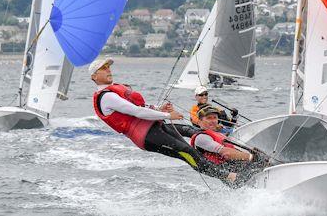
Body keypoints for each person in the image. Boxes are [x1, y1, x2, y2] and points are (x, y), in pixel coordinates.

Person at [90, 57, 239, 183]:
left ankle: (229, 165)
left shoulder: (115, 90)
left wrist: (159, 108)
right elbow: (137, 112)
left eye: (108, 67)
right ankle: (229, 177)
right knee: (187, 152)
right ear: (94, 77)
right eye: (103, 69)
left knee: (191, 141)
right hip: (147, 136)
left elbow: (142, 105)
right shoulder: (106, 97)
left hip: (155, 127)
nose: (108, 70)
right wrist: (168, 116)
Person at [191, 106, 267, 183]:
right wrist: (252, 157)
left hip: (240, 167)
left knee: (264, 162)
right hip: (233, 175)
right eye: (209, 118)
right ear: (199, 121)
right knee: (261, 165)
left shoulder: (218, 133)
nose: (213, 121)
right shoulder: (201, 138)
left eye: (215, 118)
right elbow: (226, 153)